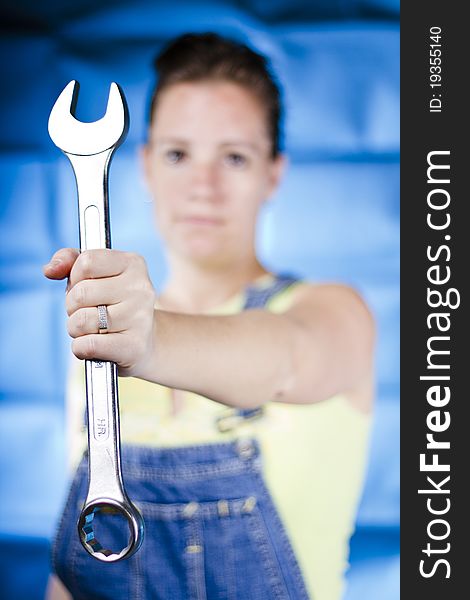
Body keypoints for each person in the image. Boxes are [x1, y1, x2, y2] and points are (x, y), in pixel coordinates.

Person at [44, 32, 374, 600]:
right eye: (178, 154)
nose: (203, 186)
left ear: (274, 173)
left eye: (235, 157)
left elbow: (287, 356)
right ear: (145, 166)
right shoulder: (93, 335)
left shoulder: (332, 313)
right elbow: (80, 571)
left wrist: (150, 344)